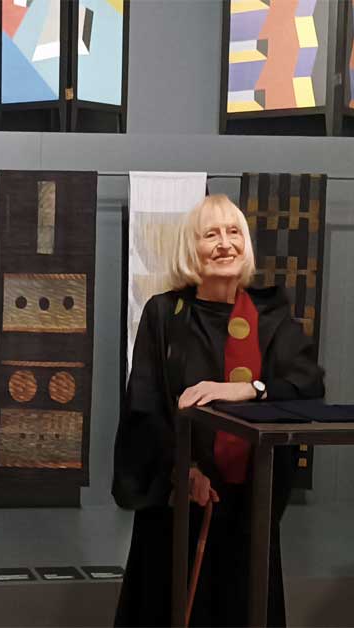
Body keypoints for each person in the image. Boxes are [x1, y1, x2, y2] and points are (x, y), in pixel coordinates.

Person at [113, 194, 326, 627]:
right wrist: (184, 468)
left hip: (248, 502)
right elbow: (146, 405)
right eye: (211, 234)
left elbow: (308, 384)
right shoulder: (165, 314)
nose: (225, 244)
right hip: (178, 497)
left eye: (234, 233)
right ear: (190, 249)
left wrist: (245, 389)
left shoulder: (269, 316)